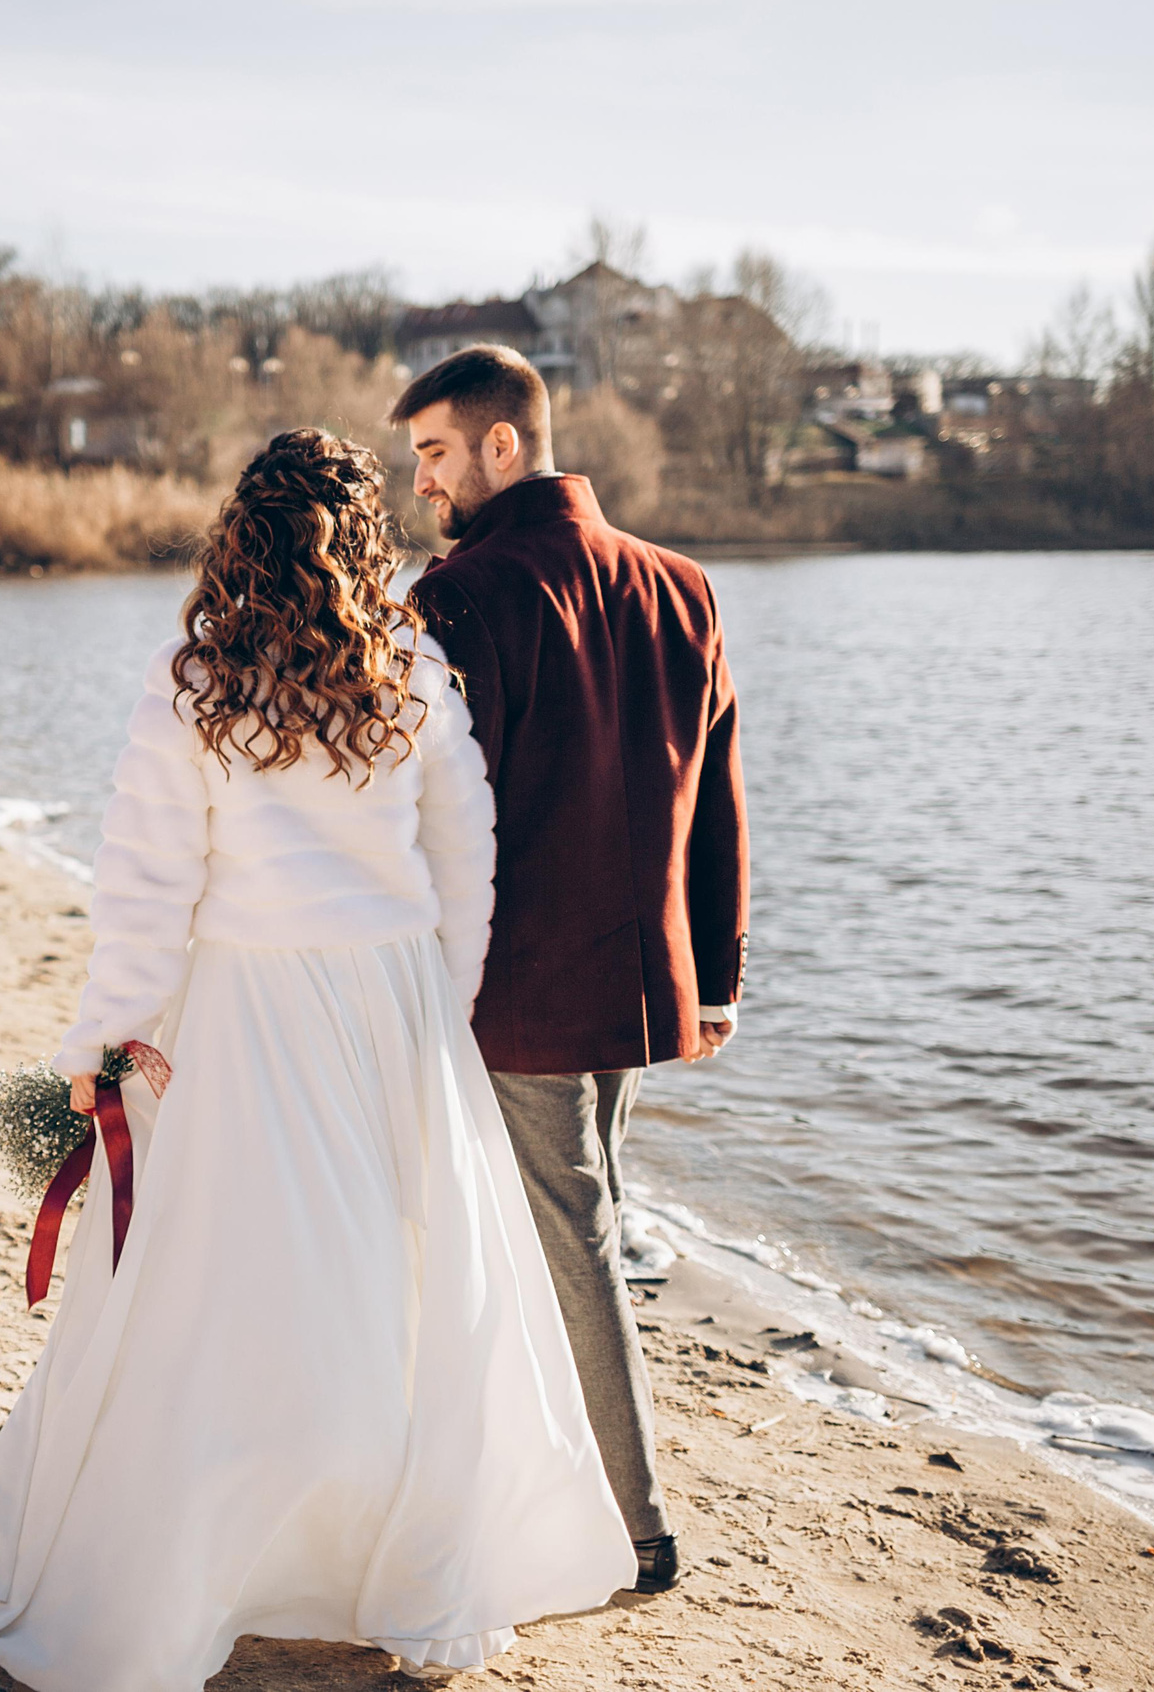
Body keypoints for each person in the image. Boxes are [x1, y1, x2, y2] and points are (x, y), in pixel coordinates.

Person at [0, 428, 633, 1690]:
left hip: (245, 1007)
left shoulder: (191, 679)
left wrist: (104, 1049)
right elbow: (464, 865)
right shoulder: (413, 670)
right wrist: (440, 1011)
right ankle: (363, 1560)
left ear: (236, 535)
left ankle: (210, 1561)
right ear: (366, 541)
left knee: (226, 1292)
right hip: (393, 1005)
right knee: (396, 1289)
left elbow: (146, 891)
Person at [393, 345, 751, 1596]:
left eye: (434, 452)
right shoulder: (682, 584)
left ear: (504, 444)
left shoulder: (464, 598)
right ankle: (557, 1481)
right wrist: (717, 973)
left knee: (572, 1238)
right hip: (639, 982)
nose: (423, 483)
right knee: (577, 1225)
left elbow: (431, 816)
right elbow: (720, 801)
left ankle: (637, 1528)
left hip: (518, 989)